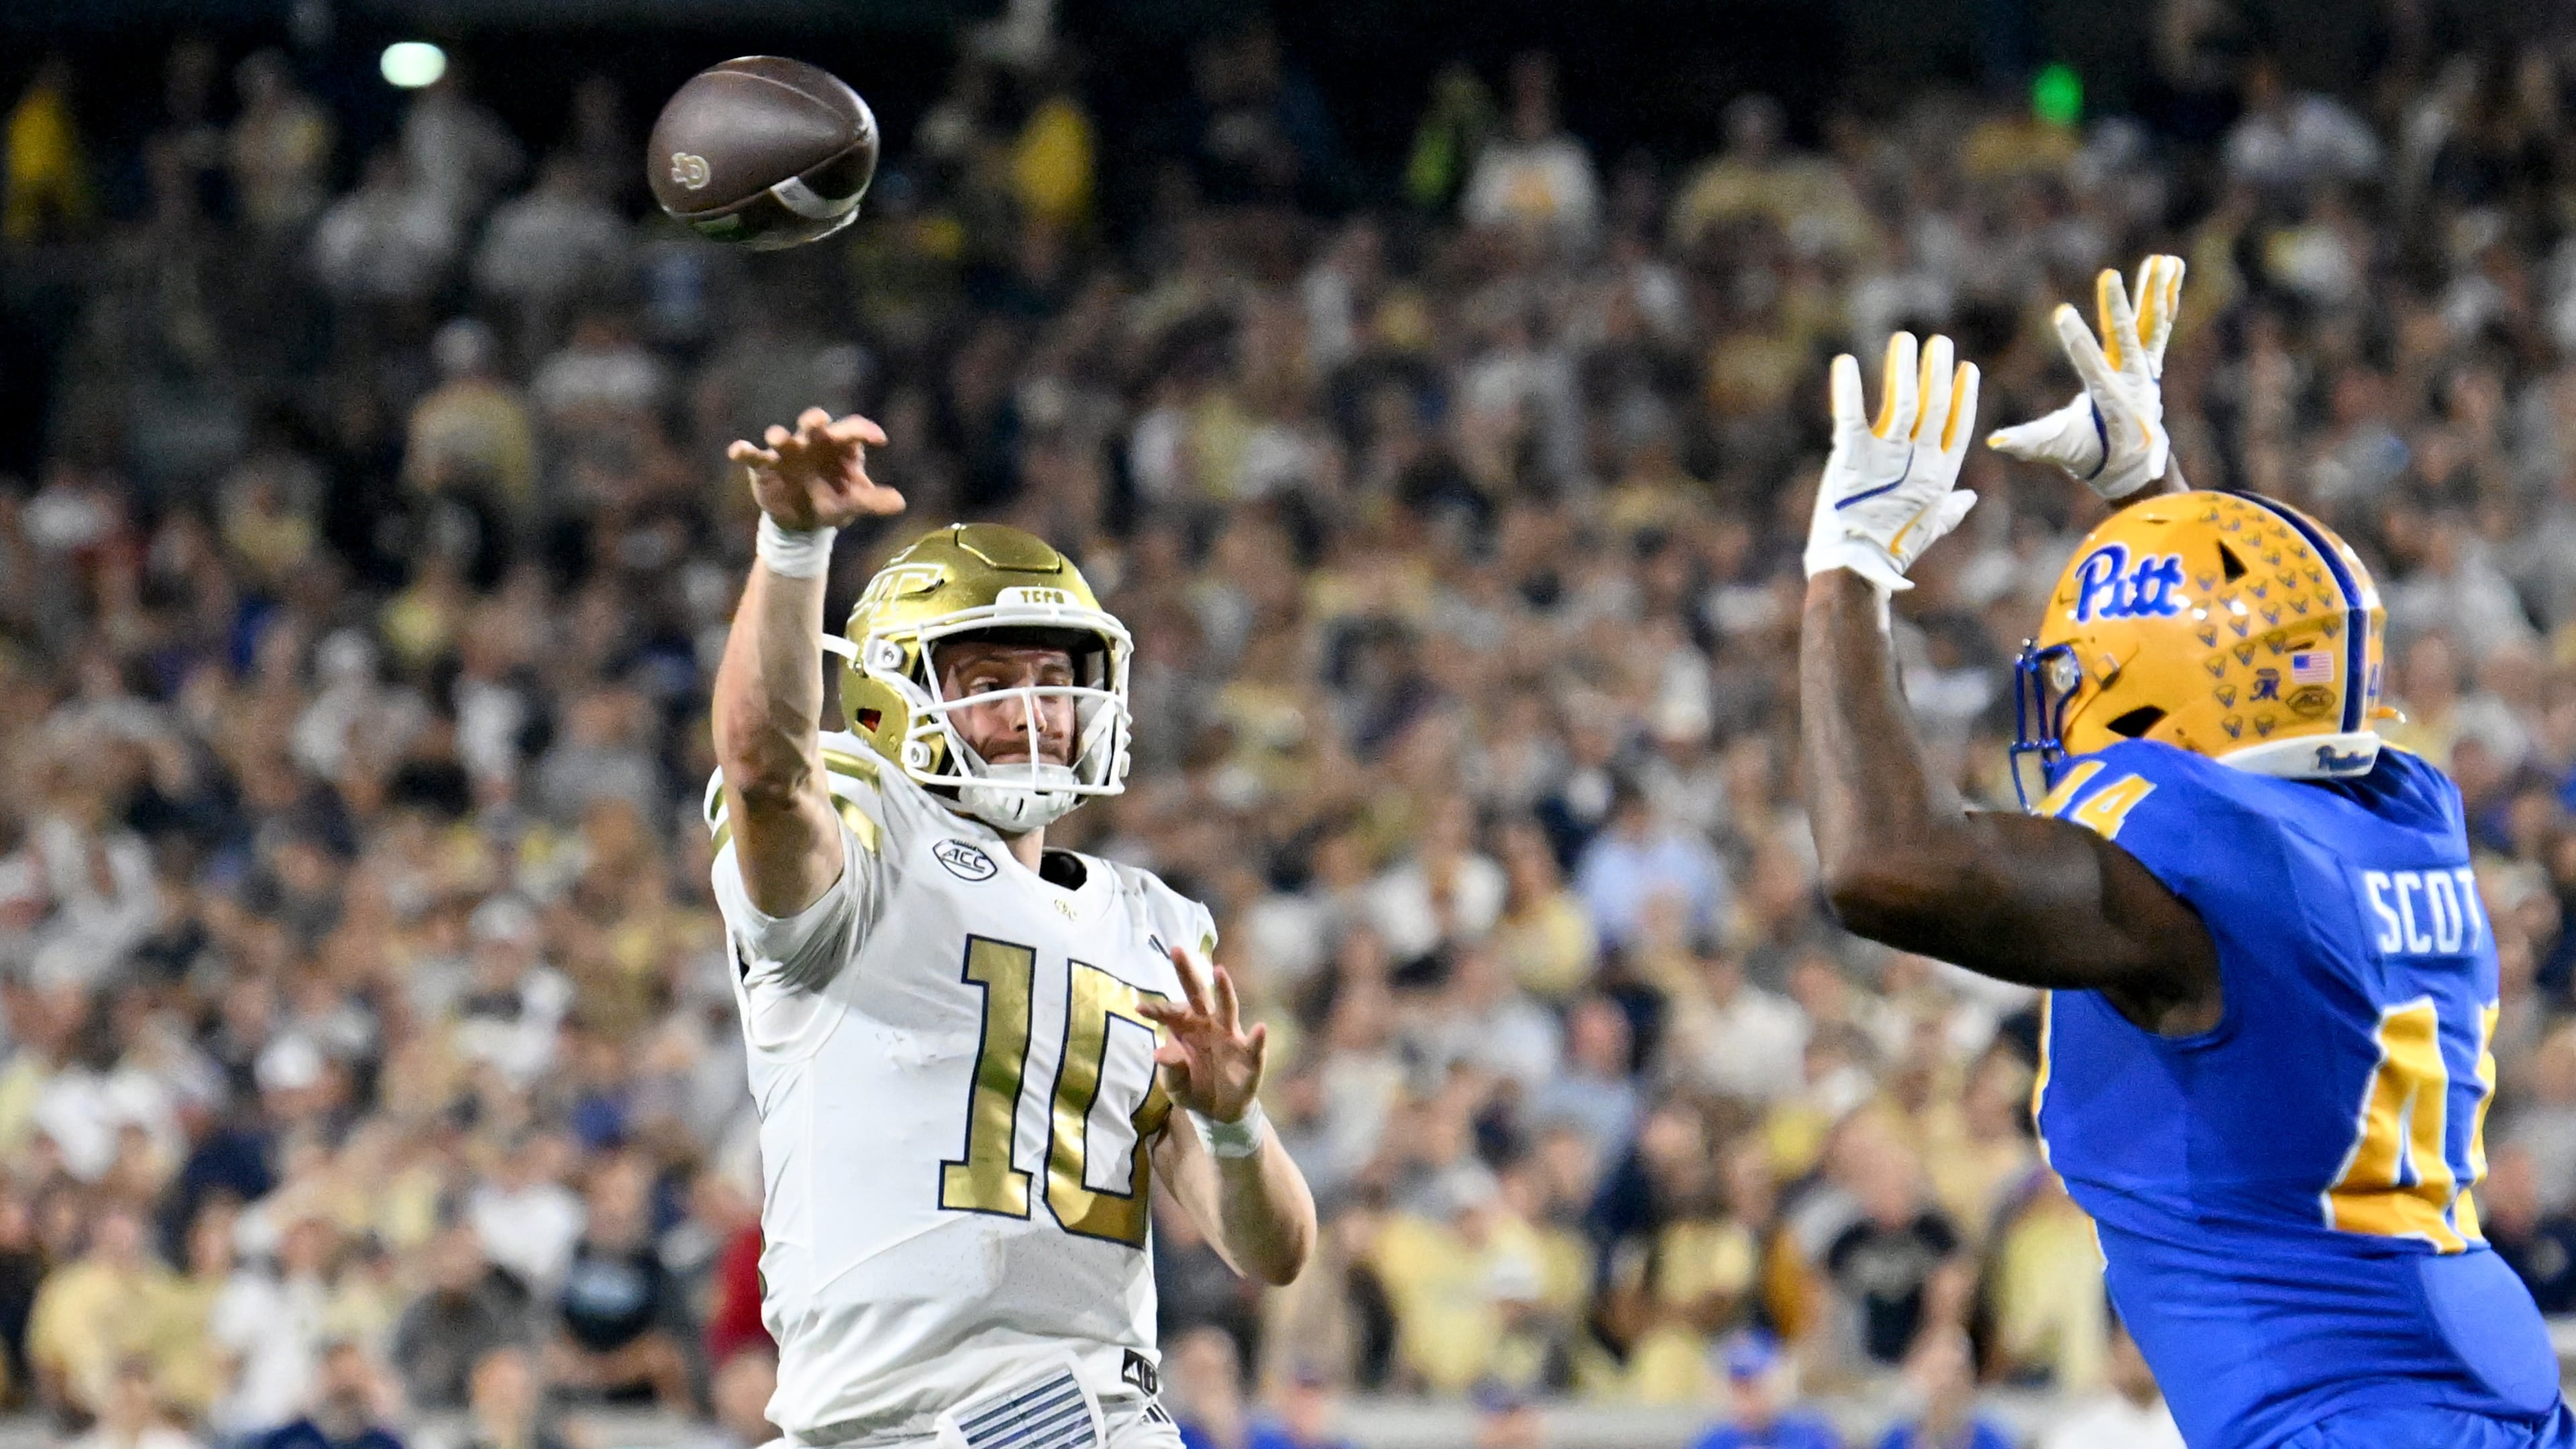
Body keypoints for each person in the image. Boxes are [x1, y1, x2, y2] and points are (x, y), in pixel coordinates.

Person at [1799, 258, 2575, 1448]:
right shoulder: (2401, 812)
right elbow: (2243, 691)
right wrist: (2150, 493)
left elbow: (1881, 865)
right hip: (2499, 1404)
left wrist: (1849, 570)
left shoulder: (2203, 880)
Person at [705, 408, 1317, 1446]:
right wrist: (795, 544)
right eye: (989, 686)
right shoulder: (869, 849)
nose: (1033, 715)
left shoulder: (1153, 926)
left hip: (1062, 1421)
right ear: (885, 701)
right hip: (848, 1425)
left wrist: (1229, 1124)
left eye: (1054, 681)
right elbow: (767, 771)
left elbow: (1275, 1252)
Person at [2039, 1321, 2184, 1449]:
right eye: (2132, 1341)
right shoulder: (2078, 1428)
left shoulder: (2189, 1420)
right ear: (2114, 1348)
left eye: (2150, 1344)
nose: (2141, 1355)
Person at [1687, 1331, 1839, 1449]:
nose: (1746, 1402)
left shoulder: (1810, 1436)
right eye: (1738, 1390)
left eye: (1755, 1388)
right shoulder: (1713, 1442)